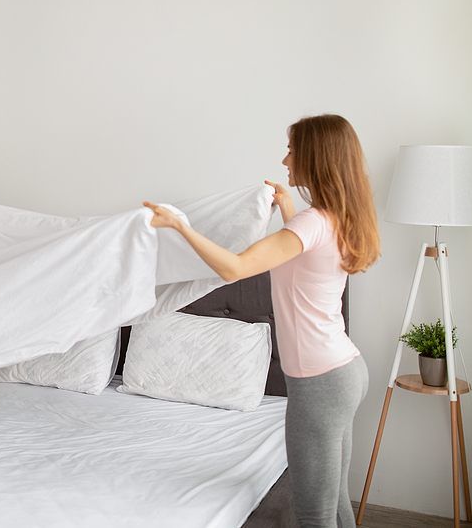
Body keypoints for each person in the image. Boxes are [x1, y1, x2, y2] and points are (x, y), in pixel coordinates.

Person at [144, 114, 379, 528]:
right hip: (345, 371)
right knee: (336, 502)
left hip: (319, 384)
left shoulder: (311, 223)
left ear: (314, 156)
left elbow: (235, 269)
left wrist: (180, 225)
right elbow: (301, 255)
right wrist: (287, 206)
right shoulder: (335, 217)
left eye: (292, 150)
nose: (285, 159)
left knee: (314, 513)